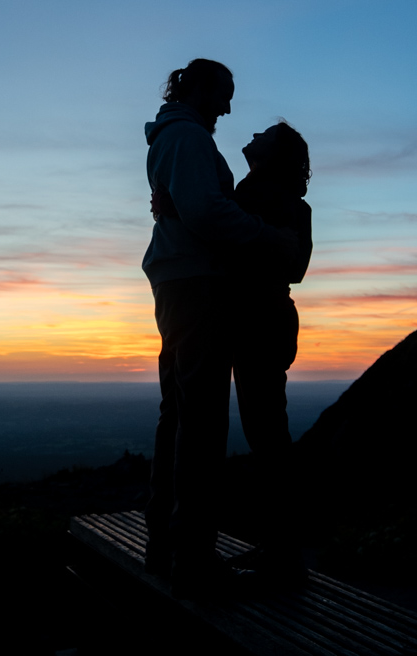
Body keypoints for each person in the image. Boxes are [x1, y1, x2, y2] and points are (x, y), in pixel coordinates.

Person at [141, 58, 292, 598]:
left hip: (179, 282)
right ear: (201, 88)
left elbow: (194, 207)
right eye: (224, 93)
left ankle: (166, 542)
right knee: (201, 422)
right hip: (197, 285)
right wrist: (264, 237)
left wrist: (183, 210)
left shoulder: (176, 138)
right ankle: (194, 556)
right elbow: (207, 212)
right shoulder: (188, 139)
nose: (228, 107)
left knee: (180, 415)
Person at [226, 121, 312, 588]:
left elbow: (294, 267)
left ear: (272, 154)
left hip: (262, 322)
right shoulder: (272, 200)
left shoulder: (266, 200)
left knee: (269, 440)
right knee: (268, 437)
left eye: (264, 134)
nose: (254, 132)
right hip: (268, 321)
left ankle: (283, 556)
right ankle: (280, 548)